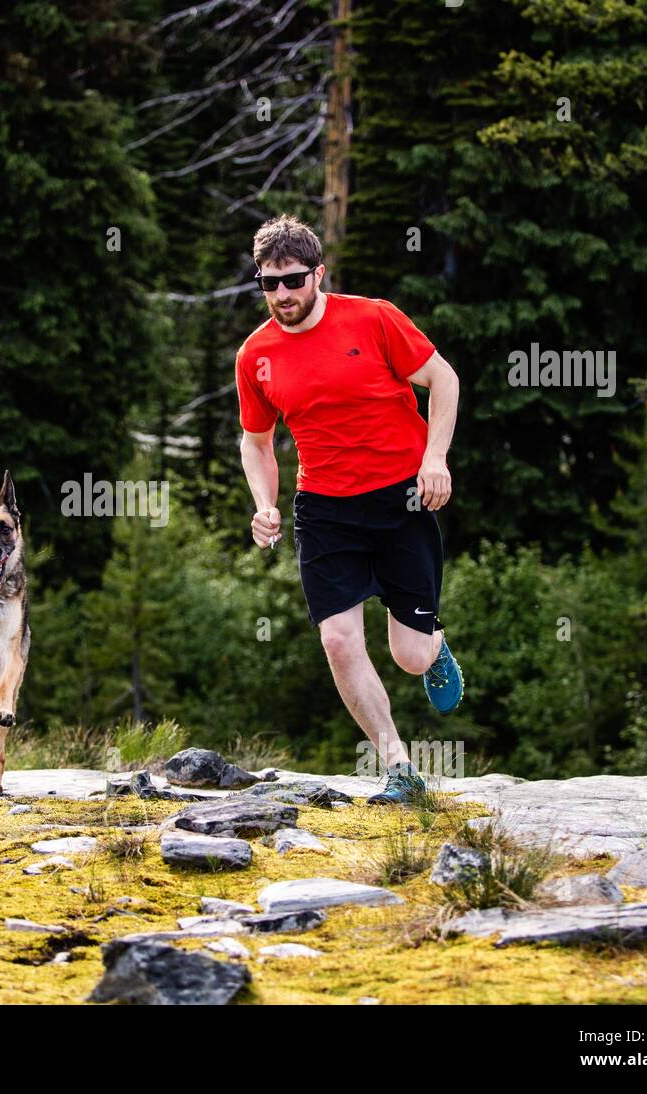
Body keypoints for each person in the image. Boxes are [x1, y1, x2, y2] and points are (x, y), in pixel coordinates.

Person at [236, 214, 464, 805]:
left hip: (400, 498)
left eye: (292, 281)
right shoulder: (255, 355)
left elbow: (443, 380)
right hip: (325, 509)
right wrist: (264, 503)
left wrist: (434, 459)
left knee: (409, 657)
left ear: (318, 274)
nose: (282, 295)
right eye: (269, 284)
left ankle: (434, 648)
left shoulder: (374, 318)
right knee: (338, 640)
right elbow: (256, 442)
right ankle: (397, 765)